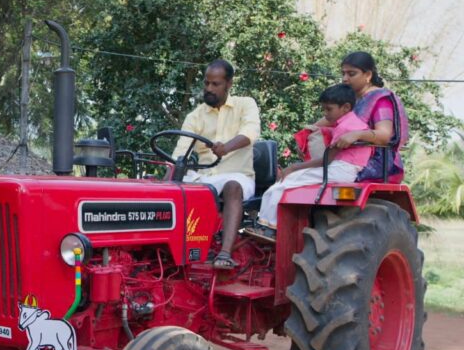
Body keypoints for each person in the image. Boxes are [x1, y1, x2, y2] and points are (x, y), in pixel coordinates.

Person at [246, 84, 372, 243]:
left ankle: (269, 228)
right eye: (324, 109)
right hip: (344, 169)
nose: (325, 114)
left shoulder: (344, 127)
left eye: (329, 109)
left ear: (346, 107)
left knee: (281, 186)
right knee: (285, 183)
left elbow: (326, 160)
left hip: (338, 170)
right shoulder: (355, 124)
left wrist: (293, 167)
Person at [172, 59, 261, 270]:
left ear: (229, 84)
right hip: (204, 178)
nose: (209, 89)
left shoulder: (245, 104)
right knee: (172, 188)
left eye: (215, 84)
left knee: (232, 187)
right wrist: (169, 176)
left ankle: (225, 254)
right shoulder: (195, 116)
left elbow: (251, 132)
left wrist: (227, 147)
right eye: (206, 83)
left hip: (238, 175)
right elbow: (181, 151)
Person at [306, 51, 409, 182]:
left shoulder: (380, 99)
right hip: (344, 160)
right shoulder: (352, 100)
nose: (345, 79)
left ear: (368, 75)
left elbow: (384, 136)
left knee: (300, 178)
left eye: (351, 74)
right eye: (343, 73)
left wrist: (357, 134)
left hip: (374, 164)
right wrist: (305, 136)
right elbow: (327, 120)